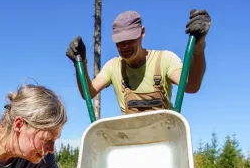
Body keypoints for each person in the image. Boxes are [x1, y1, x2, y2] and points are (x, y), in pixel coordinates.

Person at [66, 9, 212, 114]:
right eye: (120, 42)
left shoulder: (164, 60)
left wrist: (198, 47)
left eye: (130, 39)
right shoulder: (113, 67)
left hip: (165, 139)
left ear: (142, 33)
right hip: (132, 141)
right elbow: (88, 93)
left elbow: (191, 86)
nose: (125, 46)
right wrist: (80, 63)